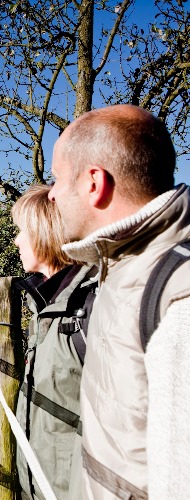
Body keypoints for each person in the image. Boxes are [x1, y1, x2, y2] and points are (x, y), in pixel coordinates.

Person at [48, 104, 190, 499]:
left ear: (94, 182)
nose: (53, 194)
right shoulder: (119, 268)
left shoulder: (177, 293)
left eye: (58, 178)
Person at [11, 184, 96, 500]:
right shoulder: (45, 307)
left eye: (22, 231)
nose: (16, 241)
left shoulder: (87, 309)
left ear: (45, 234)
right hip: (37, 487)